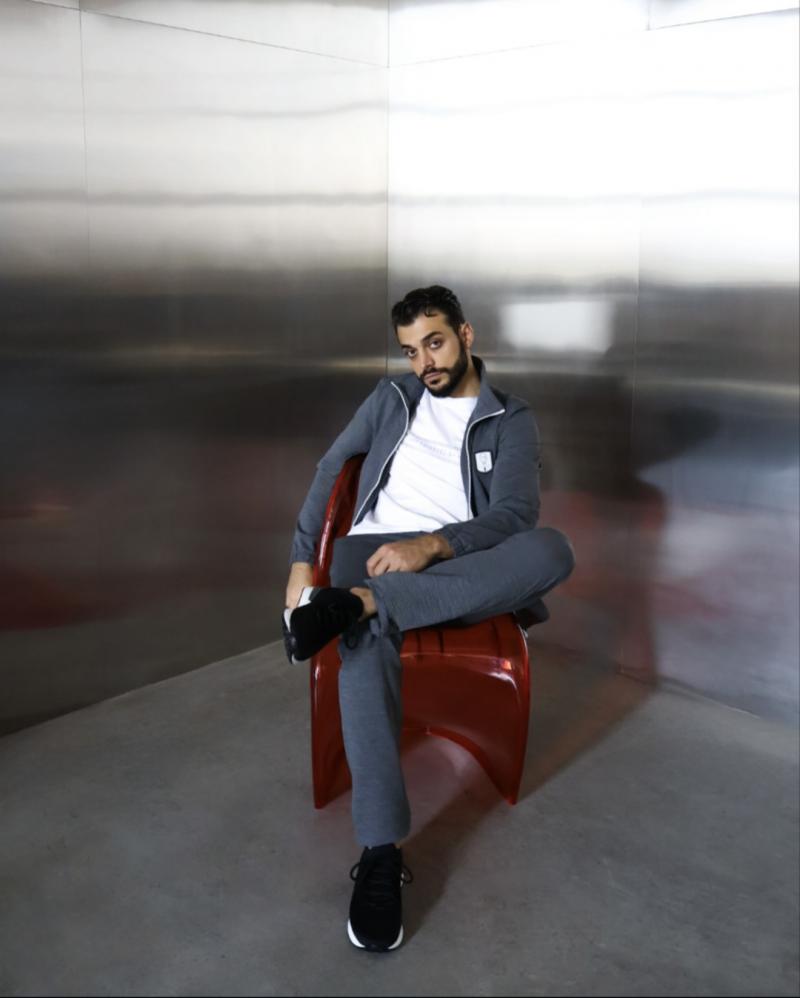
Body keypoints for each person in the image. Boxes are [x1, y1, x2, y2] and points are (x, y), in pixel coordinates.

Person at [283, 285, 575, 952]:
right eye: (411, 351)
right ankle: (380, 851)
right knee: (366, 644)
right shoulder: (390, 398)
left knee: (553, 548)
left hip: (456, 561)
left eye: (435, 343)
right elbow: (331, 468)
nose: (424, 363)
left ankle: (358, 603)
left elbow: (514, 516)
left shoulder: (510, 417)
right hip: (372, 553)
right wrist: (302, 562)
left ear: (467, 334)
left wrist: (433, 545)